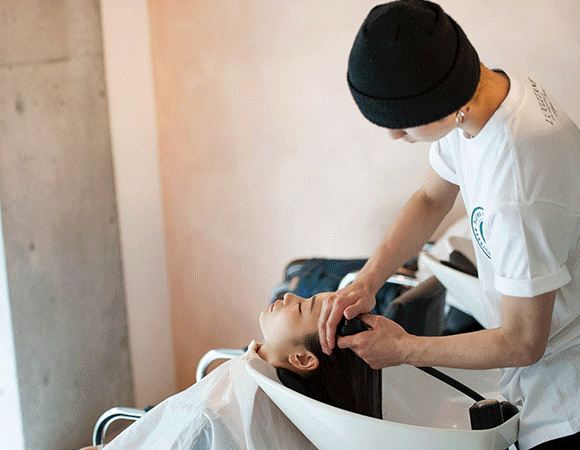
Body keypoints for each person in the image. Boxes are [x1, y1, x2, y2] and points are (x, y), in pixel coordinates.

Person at [318, 1, 580, 449]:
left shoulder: (517, 184)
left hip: (566, 396)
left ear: (441, 103)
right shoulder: (487, 93)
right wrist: (367, 280)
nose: (394, 136)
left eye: (401, 125)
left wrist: (405, 349)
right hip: (536, 372)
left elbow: (523, 342)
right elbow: (430, 198)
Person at [80, 291, 379, 450]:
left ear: (301, 359)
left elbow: (185, 437)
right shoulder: (301, 408)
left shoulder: (214, 414)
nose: (289, 296)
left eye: (301, 308)